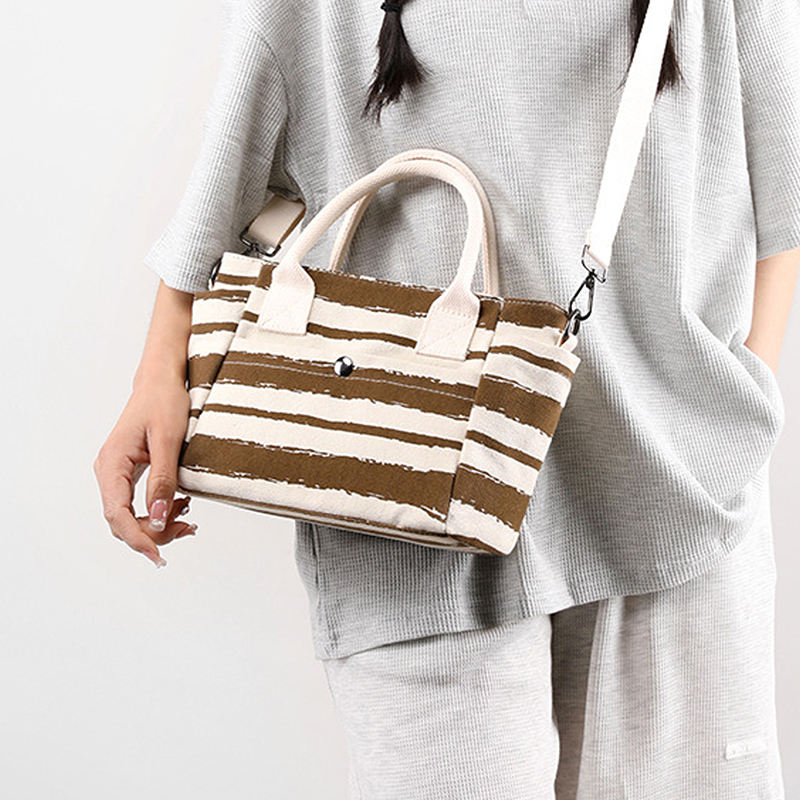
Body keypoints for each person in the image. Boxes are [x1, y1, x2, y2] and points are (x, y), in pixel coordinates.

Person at [93, 0, 800, 796]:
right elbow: (227, 181)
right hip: (404, 495)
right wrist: (155, 376)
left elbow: (784, 198)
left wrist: (750, 388)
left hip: (673, 494)